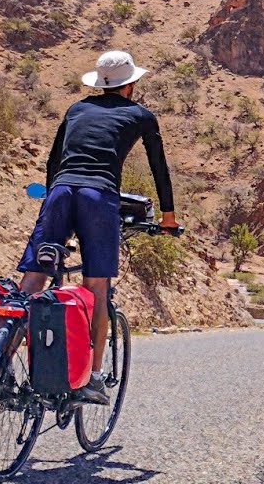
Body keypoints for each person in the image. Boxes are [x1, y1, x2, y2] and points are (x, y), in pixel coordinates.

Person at [16, 51, 178, 404]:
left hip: (60, 193)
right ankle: (92, 377)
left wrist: (52, 200)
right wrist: (168, 216)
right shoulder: (141, 115)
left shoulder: (76, 109)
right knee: (96, 287)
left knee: (34, 277)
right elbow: (158, 167)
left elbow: (54, 161)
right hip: (98, 197)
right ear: (130, 84)